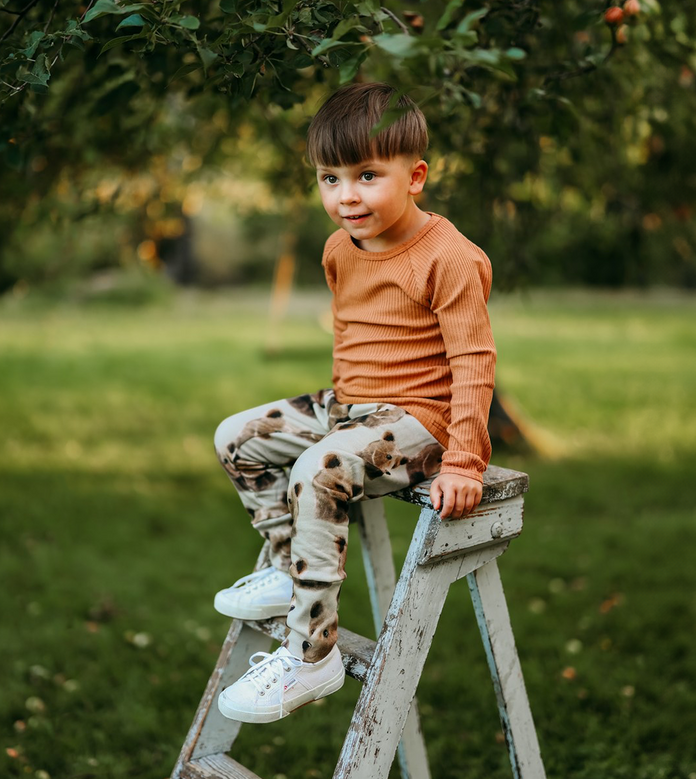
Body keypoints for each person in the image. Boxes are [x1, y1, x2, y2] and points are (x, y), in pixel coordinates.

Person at [210, 81, 496, 724]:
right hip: (351, 406)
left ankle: (312, 655)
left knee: (320, 470)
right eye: (329, 178)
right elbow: (352, 337)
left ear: (415, 175)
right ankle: (289, 570)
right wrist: (332, 419)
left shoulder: (449, 259)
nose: (346, 196)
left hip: (420, 419)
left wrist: (463, 461)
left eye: (367, 175)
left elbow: (474, 361)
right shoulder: (339, 249)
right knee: (237, 436)